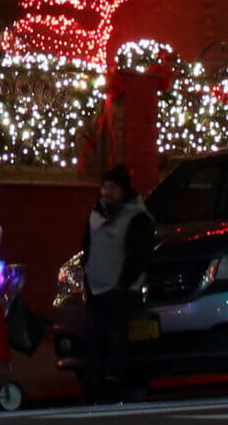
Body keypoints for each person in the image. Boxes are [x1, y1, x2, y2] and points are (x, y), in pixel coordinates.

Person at [83, 163, 155, 403]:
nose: (106, 192)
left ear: (124, 190)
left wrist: (124, 283)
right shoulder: (96, 215)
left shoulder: (137, 217)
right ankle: (97, 384)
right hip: (97, 289)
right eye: (104, 187)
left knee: (118, 340)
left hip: (121, 291)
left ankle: (117, 385)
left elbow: (140, 254)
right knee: (98, 339)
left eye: (112, 187)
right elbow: (88, 247)